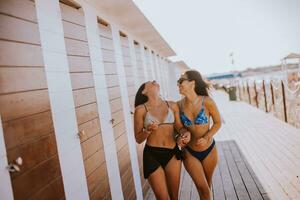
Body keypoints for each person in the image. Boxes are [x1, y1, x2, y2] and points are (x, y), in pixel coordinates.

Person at [134, 80, 190, 200]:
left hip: (172, 153)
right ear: (144, 91)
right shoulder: (140, 110)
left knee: (174, 197)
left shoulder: (172, 105)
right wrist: (148, 130)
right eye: (150, 82)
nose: (154, 81)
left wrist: (185, 133)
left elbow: (179, 126)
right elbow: (138, 138)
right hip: (152, 155)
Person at [177, 70, 222, 200]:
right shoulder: (178, 105)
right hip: (189, 152)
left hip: (209, 150)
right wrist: (182, 135)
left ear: (192, 83)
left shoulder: (207, 101)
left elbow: (218, 123)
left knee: (206, 188)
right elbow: (178, 128)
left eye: (181, 81)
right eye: (178, 82)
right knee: (203, 188)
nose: (178, 84)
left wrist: (207, 137)